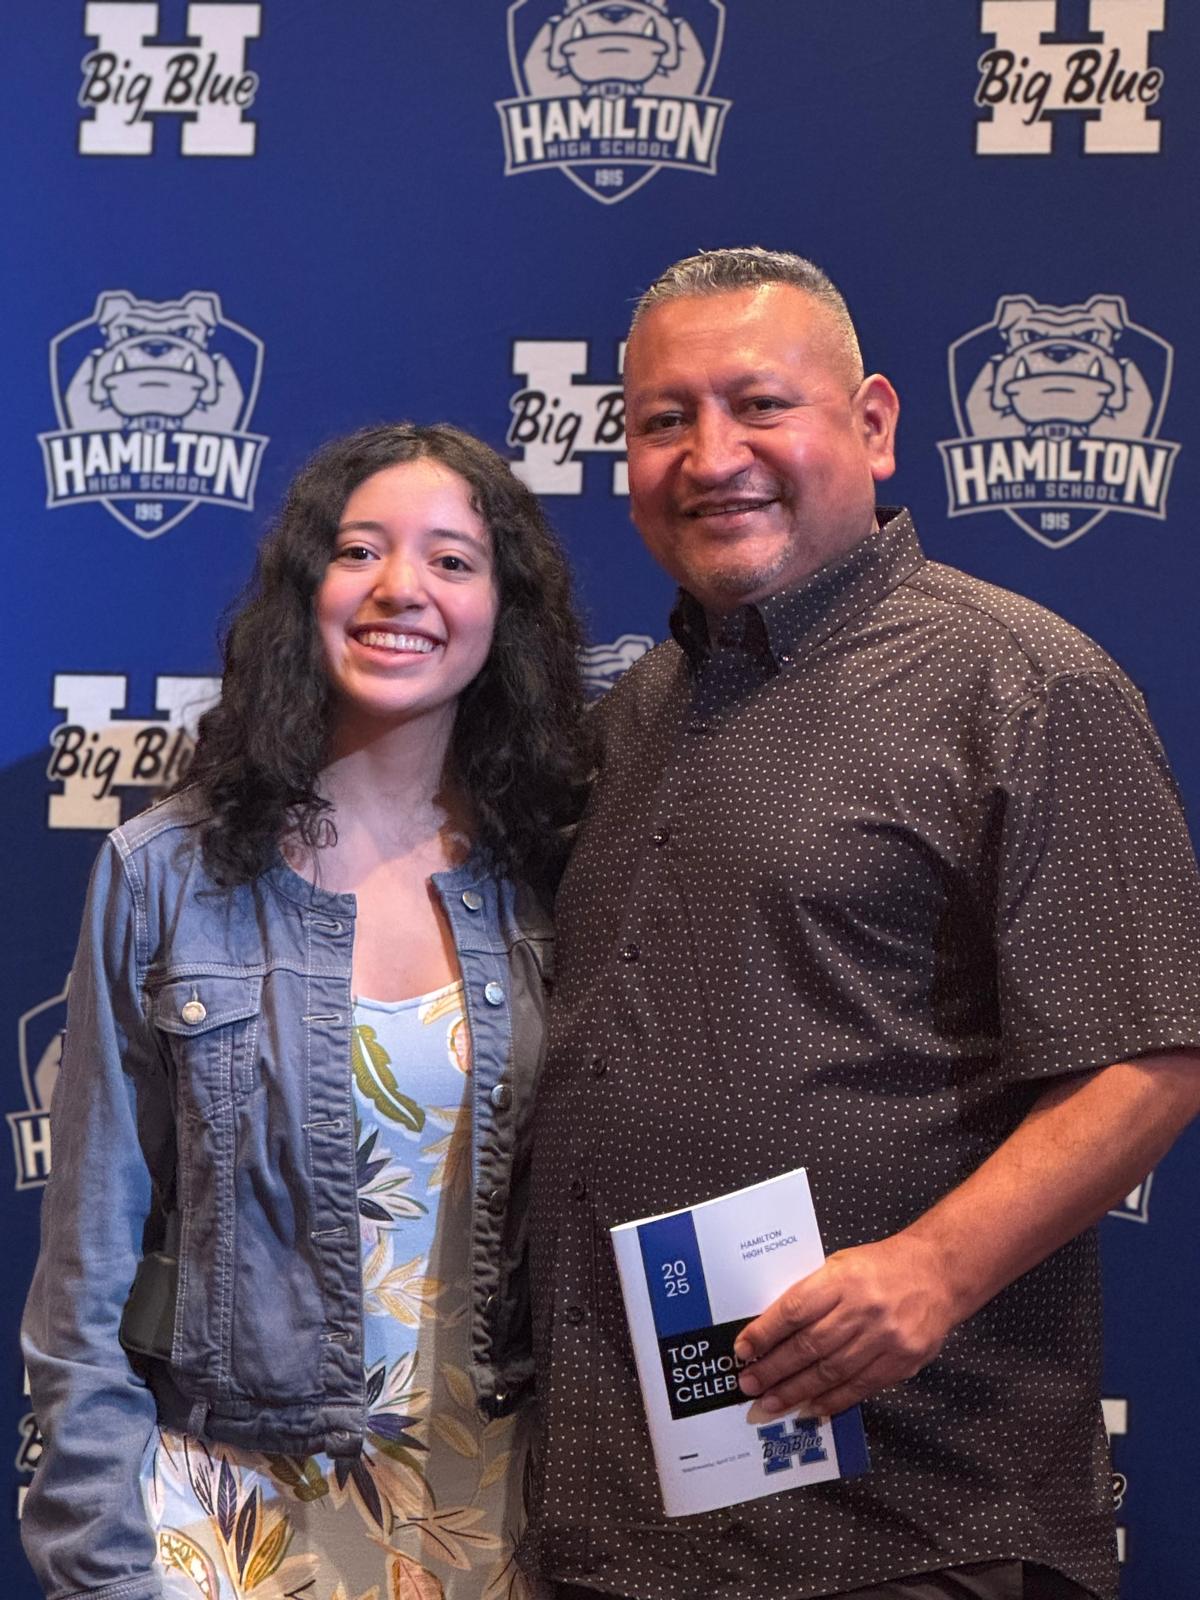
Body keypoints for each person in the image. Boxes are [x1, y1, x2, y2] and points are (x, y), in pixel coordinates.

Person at [523, 249, 1200, 1600]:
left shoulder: (1023, 685)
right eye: (666, 420)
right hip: (617, 1525)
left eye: (758, 404)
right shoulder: (628, 720)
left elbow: (1155, 1055)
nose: (713, 455)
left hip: (907, 1527)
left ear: (875, 422)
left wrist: (931, 1274)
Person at [23, 422, 587, 1600]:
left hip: (504, 1526)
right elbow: (83, 1278)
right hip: (224, 1525)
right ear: (304, 590)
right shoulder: (161, 875)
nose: (400, 590)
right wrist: (101, 1563)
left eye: (450, 560)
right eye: (359, 550)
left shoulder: (565, 873)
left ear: (504, 609)